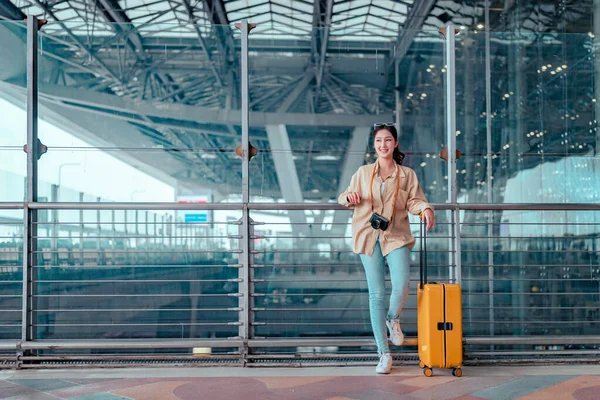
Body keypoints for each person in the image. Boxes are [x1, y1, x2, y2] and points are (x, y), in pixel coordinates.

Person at [338, 123, 435, 374]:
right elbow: (345, 196)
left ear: (396, 143)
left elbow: (414, 200)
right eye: (379, 140)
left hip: (397, 236)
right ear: (374, 144)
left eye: (388, 140)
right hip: (367, 236)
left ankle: (393, 318)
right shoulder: (362, 173)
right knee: (376, 294)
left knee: (402, 285)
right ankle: (383, 353)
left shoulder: (407, 175)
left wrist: (425, 209)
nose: (383, 145)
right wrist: (349, 198)